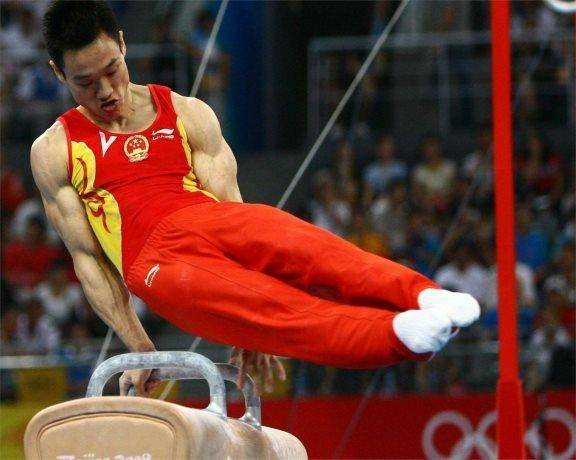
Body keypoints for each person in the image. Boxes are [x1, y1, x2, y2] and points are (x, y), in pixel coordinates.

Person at [33, 0, 480, 397]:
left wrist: (246, 337)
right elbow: (89, 261)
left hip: (211, 218)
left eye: (111, 70)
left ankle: (425, 295)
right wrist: (140, 346)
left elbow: (233, 212)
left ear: (123, 44)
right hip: (157, 263)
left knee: (314, 250)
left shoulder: (187, 112)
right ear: (58, 73)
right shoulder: (56, 150)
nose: (105, 91)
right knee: (282, 314)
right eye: (85, 82)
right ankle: (397, 335)